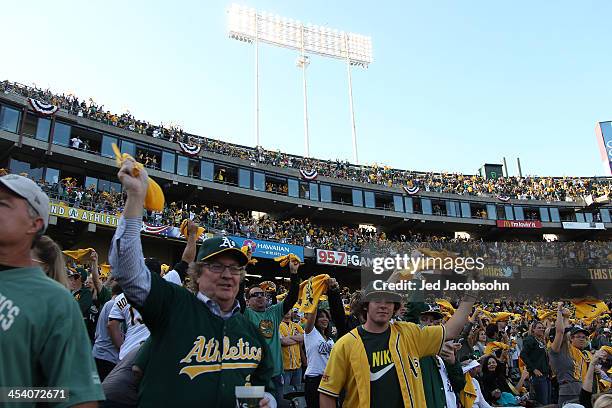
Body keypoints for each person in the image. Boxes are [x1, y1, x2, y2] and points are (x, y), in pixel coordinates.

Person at [109, 159, 275, 407]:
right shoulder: (174, 305)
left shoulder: (250, 331)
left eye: (234, 268)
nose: (227, 275)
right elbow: (127, 271)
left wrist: (267, 400)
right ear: (197, 273)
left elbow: (261, 384)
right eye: (216, 266)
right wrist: (135, 198)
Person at [0, 174, 104, 406]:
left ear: (34, 224)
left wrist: (10, 394)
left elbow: (72, 395)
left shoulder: (55, 301)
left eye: (3, 203)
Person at [318, 281, 476, 408]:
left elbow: (451, 331)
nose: (383, 305)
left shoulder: (409, 334)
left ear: (395, 307)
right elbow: (327, 393)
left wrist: (471, 293)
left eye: (389, 301)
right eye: (377, 300)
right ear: (366, 305)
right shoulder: (346, 344)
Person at [244, 256, 300, 402]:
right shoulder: (246, 313)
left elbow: (292, 297)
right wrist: (242, 268)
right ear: (247, 301)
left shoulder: (273, 312)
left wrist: (294, 273)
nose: (260, 297)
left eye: (262, 294)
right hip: (252, 376)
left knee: (277, 404)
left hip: (275, 375)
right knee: (252, 405)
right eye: (255, 295)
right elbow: (236, 298)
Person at [549, 302, 592, 406]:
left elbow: (564, 330)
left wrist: (566, 317)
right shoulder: (555, 351)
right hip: (567, 394)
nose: (567, 333)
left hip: (580, 391)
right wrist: (559, 311)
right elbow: (560, 331)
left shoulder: (571, 351)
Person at [93, 282, 123, 381]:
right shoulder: (113, 304)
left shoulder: (108, 303)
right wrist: (122, 347)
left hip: (101, 353)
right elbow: (111, 327)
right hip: (106, 355)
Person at [521, 320, 552, 405]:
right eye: (539, 328)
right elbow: (523, 355)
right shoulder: (530, 339)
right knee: (542, 403)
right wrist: (534, 369)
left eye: (542, 328)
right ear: (533, 329)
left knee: (548, 401)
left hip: (546, 374)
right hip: (538, 376)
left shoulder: (541, 341)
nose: (542, 329)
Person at [280, 308, 304, 388]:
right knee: (284, 393)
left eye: (289, 309)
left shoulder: (297, 325)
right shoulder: (278, 325)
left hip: (298, 366)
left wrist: (289, 337)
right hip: (284, 367)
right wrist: (297, 339)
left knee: (297, 393)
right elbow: (283, 341)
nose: (287, 311)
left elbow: (304, 337)